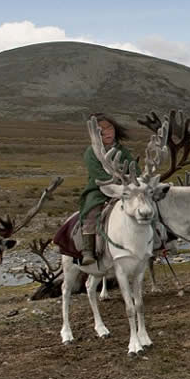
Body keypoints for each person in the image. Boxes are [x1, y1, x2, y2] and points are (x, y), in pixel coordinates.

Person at [78, 113, 138, 266]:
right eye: (101, 130)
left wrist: (131, 180)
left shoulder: (122, 151)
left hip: (124, 188)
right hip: (98, 189)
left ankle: (155, 240)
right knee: (92, 212)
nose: (107, 132)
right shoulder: (91, 152)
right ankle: (88, 251)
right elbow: (97, 174)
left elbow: (135, 169)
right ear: (94, 134)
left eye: (109, 128)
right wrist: (113, 183)